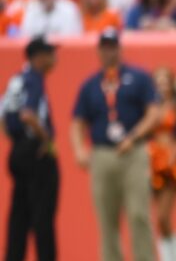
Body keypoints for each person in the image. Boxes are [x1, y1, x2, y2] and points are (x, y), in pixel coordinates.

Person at [69, 29, 160, 261]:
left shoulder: (138, 77)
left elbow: (154, 113)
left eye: (113, 47)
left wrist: (134, 137)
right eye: (105, 47)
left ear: (120, 49)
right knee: (107, 220)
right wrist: (80, 149)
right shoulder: (90, 85)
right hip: (102, 154)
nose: (109, 52)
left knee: (139, 214)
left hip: (133, 152)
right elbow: (77, 121)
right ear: (99, 51)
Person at [1, 37, 58, 261]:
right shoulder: (34, 79)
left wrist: (16, 142)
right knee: (42, 216)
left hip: (17, 151)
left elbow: (3, 115)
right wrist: (47, 140)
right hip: (35, 152)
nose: (55, 58)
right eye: (51, 53)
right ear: (39, 57)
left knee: (19, 216)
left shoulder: (16, 79)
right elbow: (28, 114)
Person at [150, 67, 176, 261]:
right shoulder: (149, 107)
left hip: (173, 163)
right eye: (158, 80)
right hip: (152, 162)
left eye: (166, 80)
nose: (162, 85)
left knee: (164, 217)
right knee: (155, 219)